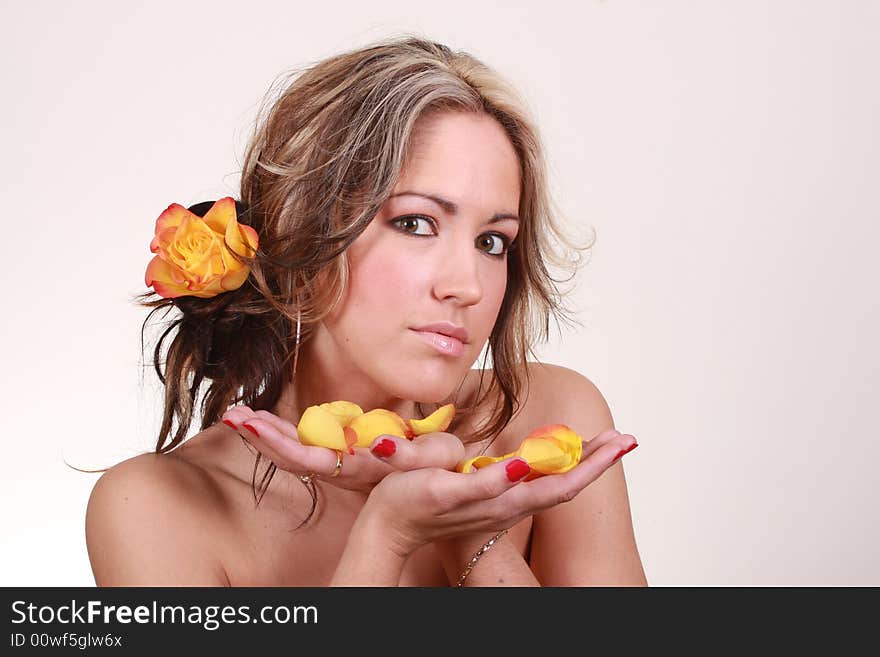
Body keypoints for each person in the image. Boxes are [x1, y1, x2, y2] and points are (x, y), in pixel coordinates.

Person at [85, 35, 647, 587]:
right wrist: (387, 535)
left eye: (493, 241)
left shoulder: (548, 421)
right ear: (304, 233)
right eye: (415, 223)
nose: (469, 286)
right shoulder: (158, 509)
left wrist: (471, 534)